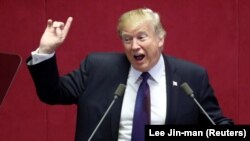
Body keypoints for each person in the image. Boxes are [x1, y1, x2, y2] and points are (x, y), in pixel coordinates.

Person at [27, 8, 233, 141]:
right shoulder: (97, 68)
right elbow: (51, 94)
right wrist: (45, 51)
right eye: (127, 39)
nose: (134, 46)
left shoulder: (192, 77)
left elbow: (215, 123)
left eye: (141, 37)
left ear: (160, 39)